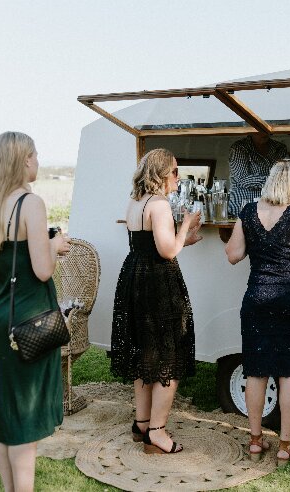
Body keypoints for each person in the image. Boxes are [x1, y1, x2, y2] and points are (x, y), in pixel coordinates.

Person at [0, 131, 71, 491]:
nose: (39, 161)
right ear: (24, 160)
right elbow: (43, 270)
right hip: (30, 321)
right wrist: (55, 244)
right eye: (36, 155)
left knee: (5, 416)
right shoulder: (30, 202)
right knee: (24, 419)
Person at [225, 160, 290, 466]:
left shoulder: (247, 213)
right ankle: (283, 446)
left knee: (256, 370)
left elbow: (233, 255)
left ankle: (255, 442)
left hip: (256, 298)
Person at [111, 148, 201, 454]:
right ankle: (158, 432)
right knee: (168, 355)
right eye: (176, 171)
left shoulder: (136, 201)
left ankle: (142, 423)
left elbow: (152, 246)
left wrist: (183, 240)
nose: (179, 177)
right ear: (163, 174)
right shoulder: (160, 204)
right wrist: (186, 224)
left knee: (144, 351)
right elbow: (166, 252)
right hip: (158, 285)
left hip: (135, 277)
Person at [227, 133, 288, 216]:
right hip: (243, 207)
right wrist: (274, 180)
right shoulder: (240, 147)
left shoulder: (279, 147)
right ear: (251, 130)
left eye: (264, 129)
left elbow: (287, 174)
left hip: (272, 207)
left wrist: (282, 179)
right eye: (258, 129)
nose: (263, 132)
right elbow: (243, 179)